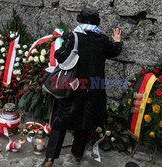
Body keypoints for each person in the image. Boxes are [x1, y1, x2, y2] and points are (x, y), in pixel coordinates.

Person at [42, 7, 122, 167]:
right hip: (93, 89)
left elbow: (60, 56)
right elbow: (115, 51)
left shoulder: (73, 37)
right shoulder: (103, 40)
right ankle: (77, 154)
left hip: (72, 87)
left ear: (80, 21)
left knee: (60, 121)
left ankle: (50, 159)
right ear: (97, 23)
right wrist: (117, 40)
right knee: (85, 120)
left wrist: (63, 41)